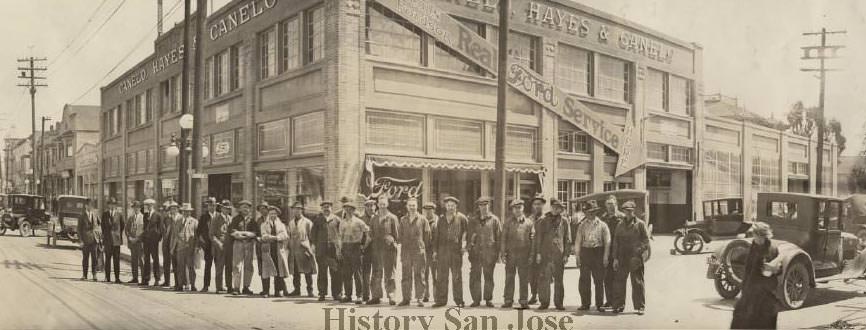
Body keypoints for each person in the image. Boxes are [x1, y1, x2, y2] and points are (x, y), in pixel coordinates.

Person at [731, 222, 782, 329]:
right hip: (750, 291)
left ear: (762, 236)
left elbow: (779, 268)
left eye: (756, 235)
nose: (754, 237)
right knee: (740, 320)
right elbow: (748, 270)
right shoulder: (753, 247)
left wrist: (773, 269)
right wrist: (744, 289)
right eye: (753, 234)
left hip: (766, 294)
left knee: (763, 322)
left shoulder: (772, 249)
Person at [611, 200, 650, 315]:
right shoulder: (620, 224)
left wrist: (639, 251)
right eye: (625, 211)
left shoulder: (640, 224)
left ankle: (640, 306)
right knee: (619, 282)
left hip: (635, 257)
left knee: (637, 282)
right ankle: (618, 305)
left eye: (630, 211)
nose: (627, 213)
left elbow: (646, 240)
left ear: (634, 211)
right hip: (622, 257)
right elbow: (616, 242)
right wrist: (615, 258)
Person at [533, 198, 570, 310]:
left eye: (558, 208)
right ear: (551, 207)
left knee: (559, 280)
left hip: (559, 255)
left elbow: (567, 239)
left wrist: (566, 255)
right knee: (544, 279)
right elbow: (538, 238)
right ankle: (544, 302)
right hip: (546, 254)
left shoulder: (564, 221)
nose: (556, 209)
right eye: (554, 207)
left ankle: (559, 303)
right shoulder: (543, 220)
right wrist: (538, 253)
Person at [432, 196, 469, 308]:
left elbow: (467, 233)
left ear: (456, 206)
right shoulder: (441, 219)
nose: (450, 208)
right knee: (442, 277)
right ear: (445, 206)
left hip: (456, 252)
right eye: (448, 205)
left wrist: (464, 246)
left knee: (456, 276)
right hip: (443, 251)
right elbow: (436, 237)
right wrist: (435, 251)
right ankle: (441, 300)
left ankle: (459, 300)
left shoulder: (462, 218)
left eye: (452, 205)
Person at [574, 200, 611, 312]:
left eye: (593, 211)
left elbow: (607, 242)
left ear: (596, 212)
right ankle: (585, 303)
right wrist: (577, 256)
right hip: (585, 252)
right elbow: (578, 241)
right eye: (588, 211)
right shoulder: (581, 225)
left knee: (599, 280)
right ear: (585, 212)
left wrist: (605, 257)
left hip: (598, 253)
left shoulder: (603, 225)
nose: (591, 214)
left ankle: (599, 304)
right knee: (584, 280)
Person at [501, 199, 535, 309]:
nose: (517, 210)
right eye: (515, 208)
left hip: (524, 254)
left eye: (519, 207)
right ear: (512, 210)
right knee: (509, 277)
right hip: (511, 254)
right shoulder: (507, 222)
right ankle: (508, 300)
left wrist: (531, 255)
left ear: (523, 208)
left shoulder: (529, 223)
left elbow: (533, 240)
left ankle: (524, 300)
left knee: (524, 278)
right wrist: (502, 253)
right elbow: (503, 239)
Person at [468, 197, 502, 308]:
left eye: (485, 205)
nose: (483, 207)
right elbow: (469, 237)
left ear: (489, 206)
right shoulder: (473, 220)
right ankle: (476, 299)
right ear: (478, 207)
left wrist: (498, 254)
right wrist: (470, 249)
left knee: (489, 277)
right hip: (476, 253)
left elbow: (498, 237)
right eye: (481, 205)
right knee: (475, 276)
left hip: (489, 253)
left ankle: (488, 299)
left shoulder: (494, 220)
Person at [397, 198, 430, 307]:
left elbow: (427, 236)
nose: (412, 207)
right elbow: (400, 236)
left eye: (414, 205)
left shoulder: (423, 220)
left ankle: (420, 298)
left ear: (417, 206)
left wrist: (421, 246)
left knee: (419, 275)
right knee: (406, 275)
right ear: (407, 206)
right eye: (410, 205)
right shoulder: (403, 220)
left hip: (418, 251)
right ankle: (406, 298)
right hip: (406, 251)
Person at [368, 194, 400, 306]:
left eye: (384, 204)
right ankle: (376, 296)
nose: (382, 206)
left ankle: (391, 295)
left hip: (389, 249)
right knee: (376, 272)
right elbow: (370, 233)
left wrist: (392, 240)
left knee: (389, 272)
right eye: (380, 204)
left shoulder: (392, 218)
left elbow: (397, 235)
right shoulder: (373, 218)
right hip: (376, 248)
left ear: (387, 204)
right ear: (377, 205)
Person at [338, 199, 370, 304]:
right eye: (346, 208)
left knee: (357, 273)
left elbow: (368, 232)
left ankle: (359, 296)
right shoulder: (342, 222)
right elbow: (340, 237)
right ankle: (348, 295)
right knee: (346, 273)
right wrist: (339, 249)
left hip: (356, 247)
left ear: (353, 210)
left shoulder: (359, 221)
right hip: (345, 247)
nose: (348, 211)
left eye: (350, 209)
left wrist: (363, 245)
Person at [312, 201, 342, 301]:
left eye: (328, 207)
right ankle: (322, 293)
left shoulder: (337, 220)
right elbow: (313, 235)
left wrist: (339, 248)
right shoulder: (318, 220)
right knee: (322, 272)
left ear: (331, 208)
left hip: (333, 250)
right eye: (324, 207)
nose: (326, 209)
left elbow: (341, 234)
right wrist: (314, 246)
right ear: (322, 209)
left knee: (335, 272)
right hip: (321, 251)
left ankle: (337, 293)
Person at [599, 195, 624, 310]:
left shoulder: (622, 217)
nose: (610, 207)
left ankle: (619, 303)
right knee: (607, 277)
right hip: (606, 251)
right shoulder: (603, 218)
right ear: (605, 205)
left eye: (612, 204)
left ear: (616, 205)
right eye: (608, 204)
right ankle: (609, 300)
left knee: (618, 278)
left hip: (619, 251)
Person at [259, 205, 290, 298]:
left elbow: (285, 236)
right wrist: (273, 237)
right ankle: (266, 291)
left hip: (278, 250)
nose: (273, 215)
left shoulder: (281, 225)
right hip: (267, 249)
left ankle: (278, 290)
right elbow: (264, 236)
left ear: (277, 215)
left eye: (274, 213)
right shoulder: (264, 225)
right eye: (271, 213)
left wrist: (275, 237)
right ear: (268, 214)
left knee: (279, 270)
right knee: (266, 270)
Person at [286, 201, 315, 297]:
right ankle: (297, 289)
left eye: (299, 209)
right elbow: (289, 236)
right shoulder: (290, 223)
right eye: (295, 209)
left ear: (302, 210)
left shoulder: (307, 222)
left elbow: (312, 237)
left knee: (307, 271)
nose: (297, 211)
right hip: (294, 250)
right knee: (295, 271)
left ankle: (310, 290)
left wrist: (310, 248)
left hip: (304, 249)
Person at [229, 200, 258, 295]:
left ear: (249, 209)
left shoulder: (252, 220)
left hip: (249, 244)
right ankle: (236, 288)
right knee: (237, 266)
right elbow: (232, 231)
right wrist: (240, 234)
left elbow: (255, 232)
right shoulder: (236, 219)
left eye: (247, 207)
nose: (245, 209)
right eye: (243, 207)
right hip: (238, 244)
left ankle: (246, 287)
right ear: (240, 209)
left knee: (248, 266)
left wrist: (247, 234)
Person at [525, 194, 546, 305]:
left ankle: (543, 297)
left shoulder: (547, 219)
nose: (537, 206)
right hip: (530, 250)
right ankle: (534, 295)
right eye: (535, 204)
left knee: (542, 275)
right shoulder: (529, 219)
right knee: (531, 274)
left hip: (542, 250)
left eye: (539, 204)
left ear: (543, 205)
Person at [174, 203, 199, 291]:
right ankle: (180, 285)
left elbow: (196, 235)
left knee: (191, 267)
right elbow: (176, 234)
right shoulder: (178, 221)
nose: (186, 213)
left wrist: (196, 247)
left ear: (190, 212)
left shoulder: (194, 221)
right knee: (180, 267)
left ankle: (193, 285)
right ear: (182, 212)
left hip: (190, 248)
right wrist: (180, 241)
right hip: (180, 248)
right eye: (184, 211)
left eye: (188, 212)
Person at [209, 200, 231, 293]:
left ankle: (229, 286)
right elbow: (211, 235)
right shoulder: (216, 219)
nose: (226, 210)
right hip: (219, 247)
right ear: (221, 208)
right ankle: (219, 287)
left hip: (229, 246)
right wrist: (218, 244)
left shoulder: (230, 218)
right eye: (225, 208)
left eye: (228, 208)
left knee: (229, 267)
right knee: (219, 267)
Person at [358, 199, 377, 303]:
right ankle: (365, 295)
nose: (371, 208)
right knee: (365, 273)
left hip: (377, 250)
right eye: (368, 206)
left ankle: (375, 295)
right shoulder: (361, 219)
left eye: (373, 206)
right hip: (365, 250)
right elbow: (358, 235)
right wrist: (361, 246)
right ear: (365, 207)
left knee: (377, 273)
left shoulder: (379, 218)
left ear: (375, 207)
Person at [140, 199, 162, 286]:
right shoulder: (145, 215)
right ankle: (146, 278)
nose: (148, 207)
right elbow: (144, 226)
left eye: (150, 205)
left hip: (154, 240)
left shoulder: (157, 215)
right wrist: (144, 207)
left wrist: (157, 238)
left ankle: (157, 279)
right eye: (147, 205)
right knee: (146, 259)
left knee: (155, 259)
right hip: (146, 240)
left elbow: (160, 229)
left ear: (153, 206)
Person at [101, 199, 124, 283]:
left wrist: (117, 234)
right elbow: (103, 227)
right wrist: (105, 236)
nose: (112, 206)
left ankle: (117, 278)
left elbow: (122, 226)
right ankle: (107, 277)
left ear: (116, 205)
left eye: (114, 204)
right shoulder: (105, 214)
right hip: (107, 240)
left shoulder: (119, 215)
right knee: (107, 259)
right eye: (110, 204)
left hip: (116, 241)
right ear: (108, 205)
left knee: (116, 260)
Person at [197, 198, 217, 292]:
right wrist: (201, 243)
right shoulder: (203, 217)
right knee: (208, 265)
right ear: (207, 206)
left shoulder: (219, 216)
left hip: (217, 244)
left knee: (219, 265)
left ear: (216, 206)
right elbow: (199, 231)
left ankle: (219, 285)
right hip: (208, 245)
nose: (211, 207)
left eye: (213, 205)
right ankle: (206, 285)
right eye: (210, 205)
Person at [78, 199, 100, 281]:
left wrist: (98, 236)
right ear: (85, 206)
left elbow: (99, 225)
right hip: (85, 240)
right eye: (88, 205)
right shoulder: (81, 216)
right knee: (85, 258)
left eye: (91, 205)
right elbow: (79, 229)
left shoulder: (95, 215)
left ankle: (94, 275)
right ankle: (84, 275)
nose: (90, 207)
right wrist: (80, 240)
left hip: (94, 240)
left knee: (94, 258)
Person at [421, 201, 438, 303]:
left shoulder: (438, 221)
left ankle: (436, 296)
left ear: (433, 210)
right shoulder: (422, 221)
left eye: (430, 210)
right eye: (426, 210)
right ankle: (426, 295)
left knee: (435, 275)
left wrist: (437, 251)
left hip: (435, 251)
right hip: (425, 251)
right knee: (425, 274)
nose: (428, 212)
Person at [125, 201, 144, 284]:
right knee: (134, 261)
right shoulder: (131, 218)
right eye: (134, 207)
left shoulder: (143, 218)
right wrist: (129, 237)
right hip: (132, 243)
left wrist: (137, 238)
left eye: (137, 207)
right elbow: (126, 229)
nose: (136, 209)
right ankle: (135, 278)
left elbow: (144, 231)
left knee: (141, 261)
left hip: (140, 243)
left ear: (140, 208)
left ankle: (143, 278)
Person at [161, 199, 178, 287]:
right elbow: (163, 230)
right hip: (166, 243)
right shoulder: (166, 219)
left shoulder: (178, 218)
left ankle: (177, 283)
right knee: (166, 263)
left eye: (174, 209)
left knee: (175, 264)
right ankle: (167, 281)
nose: (171, 211)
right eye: (169, 209)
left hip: (174, 244)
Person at [255, 201, 269, 292]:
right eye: (260, 209)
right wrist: (257, 238)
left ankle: (280, 289)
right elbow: (256, 232)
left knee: (275, 267)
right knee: (262, 268)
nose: (262, 210)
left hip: (270, 246)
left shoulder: (272, 218)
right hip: (260, 246)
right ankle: (265, 290)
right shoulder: (259, 220)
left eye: (264, 208)